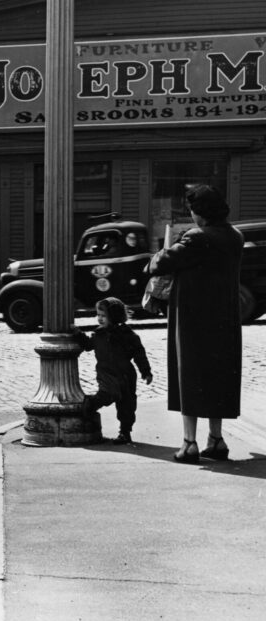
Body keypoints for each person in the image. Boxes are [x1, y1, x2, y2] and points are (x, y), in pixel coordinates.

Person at [148, 184, 243, 463]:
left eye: (192, 210)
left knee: (189, 377)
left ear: (199, 212)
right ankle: (216, 439)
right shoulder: (235, 236)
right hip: (225, 318)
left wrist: (160, 253)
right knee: (218, 378)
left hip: (193, 318)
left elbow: (160, 264)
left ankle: (189, 444)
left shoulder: (197, 237)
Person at [74, 297, 153, 445]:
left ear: (114, 316)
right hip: (106, 373)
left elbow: (139, 354)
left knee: (127, 406)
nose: (100, 319)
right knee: (106, 394)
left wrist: (146, 372)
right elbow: (88, 345)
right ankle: (90, 404)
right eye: (98, 315)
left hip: (125, 376)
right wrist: (77, 333)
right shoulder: (98, 334)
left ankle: (125, 432)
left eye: (103, 316)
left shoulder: (127, 335)